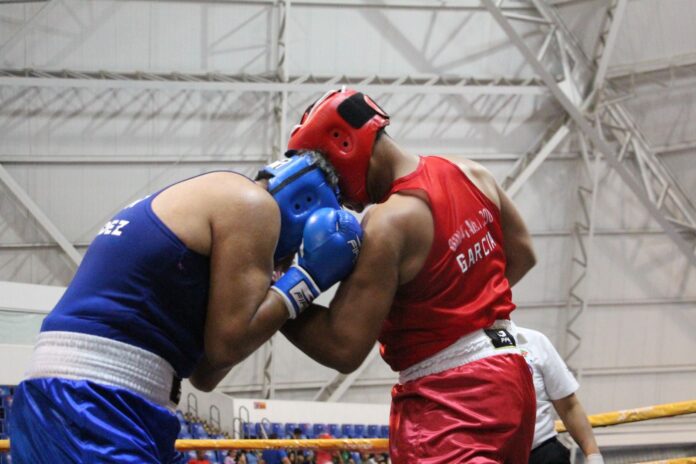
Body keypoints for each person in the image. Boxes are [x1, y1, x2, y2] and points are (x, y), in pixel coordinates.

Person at [9, 152, 363, 463]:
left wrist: (277, 286)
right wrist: (307, 279)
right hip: (92, 402)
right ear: (305, 207)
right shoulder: (252, 205)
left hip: (107, 403)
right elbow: (228, 345)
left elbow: (208, 373)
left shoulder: (210, 208)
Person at [282, 88, 538, 463]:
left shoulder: (388, 222)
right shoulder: (469, 171)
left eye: (329, 176)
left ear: (344, 144)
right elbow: (523, 254)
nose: (335, 195)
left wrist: (272, 289)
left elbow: (343, 347)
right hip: (510, 379)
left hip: (450, 400)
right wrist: (453, 302)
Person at [515, 324, 603, 464]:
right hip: (486, 455)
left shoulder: (533, 341)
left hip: (542, 451)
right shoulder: (468, 347)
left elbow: (569, 406)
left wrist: (594, 458)